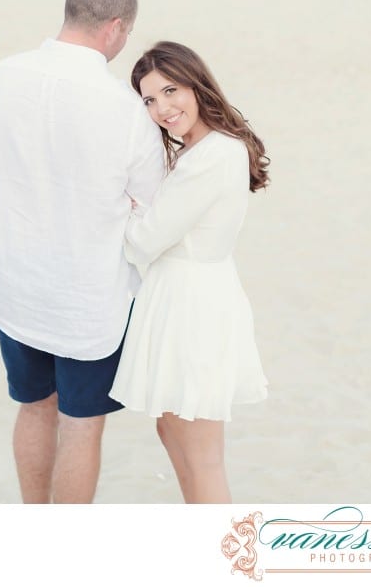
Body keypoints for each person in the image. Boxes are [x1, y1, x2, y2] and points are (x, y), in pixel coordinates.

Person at [0, 0, 165, 503]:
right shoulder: (125, 109)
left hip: (16, 280)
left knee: (33, 407)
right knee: (81, 423)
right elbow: (152, 203)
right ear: (116, 28)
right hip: (87, 296)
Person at [109, 41, 269, 503]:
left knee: (201, 454)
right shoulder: (195, 151)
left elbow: (143, 240)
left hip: (193, 303)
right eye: (149, 99)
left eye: (171, 90)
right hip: (181, 296)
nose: (162, 108)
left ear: (196, 84)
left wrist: (128, 208)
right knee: (171, 427)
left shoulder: (215, 154)